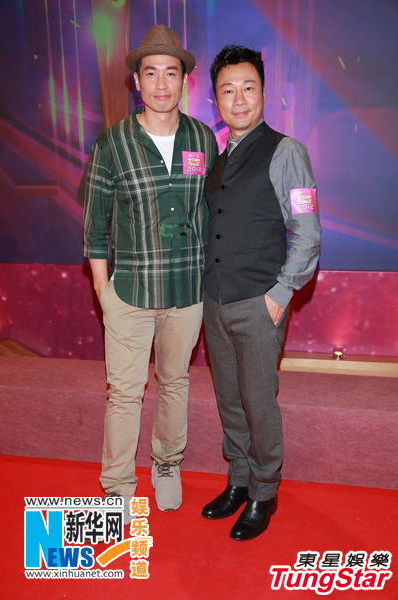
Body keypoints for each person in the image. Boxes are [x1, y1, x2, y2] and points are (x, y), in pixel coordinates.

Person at [83, 25, 217, 522]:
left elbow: (212, 213)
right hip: (130, 292)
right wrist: (104, 289)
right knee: (124, 393)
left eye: (171, 73)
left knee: (175, 382)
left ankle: (167, 463)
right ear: (137, 81)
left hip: (187, 290)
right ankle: (118, 483)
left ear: (184, 80)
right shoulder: (114, 143)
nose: (162, 84)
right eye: (152, 73)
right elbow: (95, 226)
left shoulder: (202, 138)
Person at [202, 45, 321, 540]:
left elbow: (307, 232)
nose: (239, 99)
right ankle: (238, 478)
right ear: (216, 100)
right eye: (227, 90)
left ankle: (264, 491)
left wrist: (281, 293)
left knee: (258, 401)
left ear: (264, 94)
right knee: (229, 400)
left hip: (259, 302)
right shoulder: (215, 157)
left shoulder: (287, 151)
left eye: (248, 88)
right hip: (215, 301)